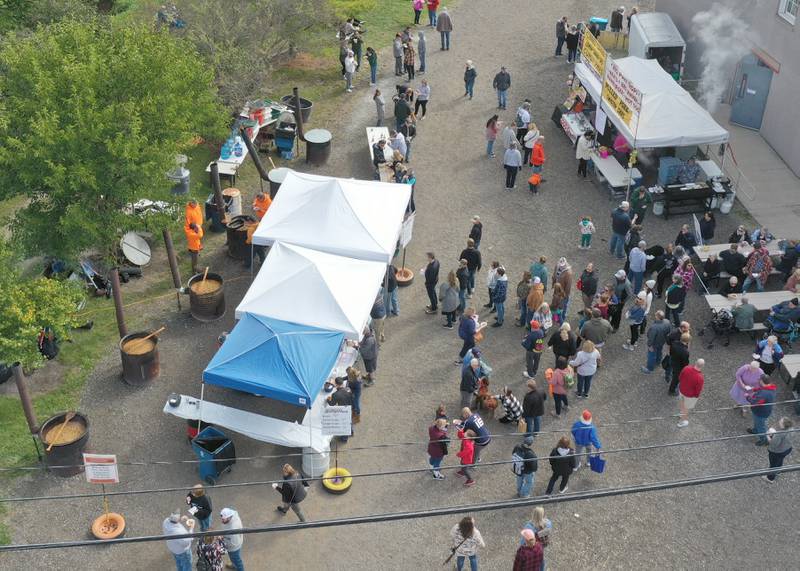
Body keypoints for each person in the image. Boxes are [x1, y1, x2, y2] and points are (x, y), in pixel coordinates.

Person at [747, 374, 777, 445]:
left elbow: (755, 402)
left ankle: (764, 440)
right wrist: (755, 389)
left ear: (762, 381)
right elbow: (762, 389)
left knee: (761, 427)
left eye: (759, 380)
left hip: (761, 413)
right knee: (757, 422)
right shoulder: (770, 387)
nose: (758, 381)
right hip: (760, 411)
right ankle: (755, 430)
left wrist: (747, 397)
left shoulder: (764, 394)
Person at [765, 417, 795, 482]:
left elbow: (773, 444)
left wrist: (768, 435)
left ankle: (770, 478)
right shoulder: (792, 429)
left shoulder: (779, 434)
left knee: (773, 465)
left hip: (777, 452)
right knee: (779, 460)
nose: (779, 421)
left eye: (780, 422)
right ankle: (778, 471)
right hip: (787, 449)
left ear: (783, 425)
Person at [677, 358, 704, 427]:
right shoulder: (700, 378)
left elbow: (680, 377)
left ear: (695, 362)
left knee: (682, 403)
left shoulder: (686, 368)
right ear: (702, 366)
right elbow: (698, 390)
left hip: (681, 390)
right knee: (686, 408)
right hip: (690, 396)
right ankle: (681, 422)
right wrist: (696, 396)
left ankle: (680, 413)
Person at [668, 331, 691, 396]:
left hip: (673, 361)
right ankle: (671, 391)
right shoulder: (685, 352)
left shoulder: (674, 343)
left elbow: (671, 352)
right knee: (676, 379)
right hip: (679, 367)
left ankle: (669, 375)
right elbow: (685, 363)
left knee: (673, 372)